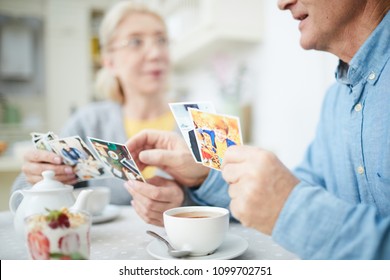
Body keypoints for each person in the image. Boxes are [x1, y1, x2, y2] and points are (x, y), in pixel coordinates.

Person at [126, 0, 390, 259]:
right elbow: (302, 190)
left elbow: (290, 202)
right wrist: (204, 176)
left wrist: (290, 209)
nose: (282, 3)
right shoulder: (335, 100)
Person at [11, 1, 185, 225]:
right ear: (109, 62)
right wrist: (36, 180)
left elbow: (235, 204)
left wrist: (185, 200)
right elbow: (19, 206)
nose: (155, 53)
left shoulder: (196, 124)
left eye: (161, 40)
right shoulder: (88, 123)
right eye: (136, 41)